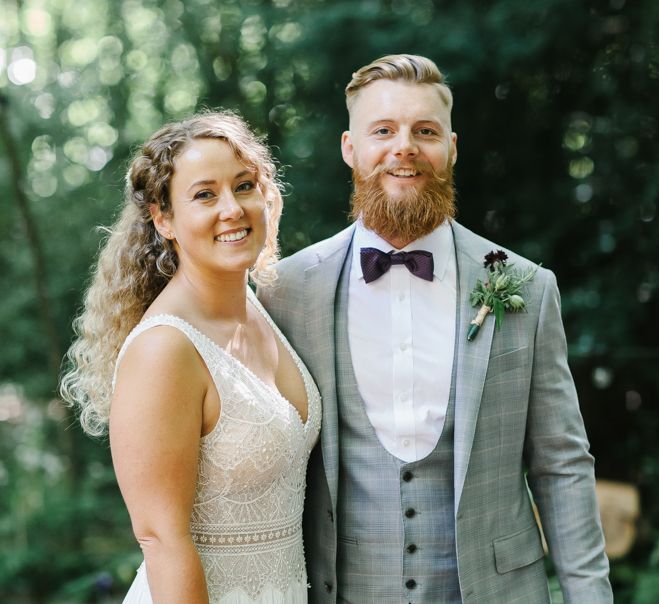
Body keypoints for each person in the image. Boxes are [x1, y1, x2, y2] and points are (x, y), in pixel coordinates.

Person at [257, 55, 612, 603]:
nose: (405, 147)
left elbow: (561, 465)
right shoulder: (286, 290)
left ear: (451, 148)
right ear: (350, 148)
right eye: (383, 130)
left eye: (425, 131)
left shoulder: (528, 287)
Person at [60, 111, 321, 603]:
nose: (232, 209)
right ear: (164, 218)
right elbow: (161, 539)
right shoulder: (165, 349)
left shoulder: (260, 312)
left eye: (244, 186)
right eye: (205, 194)